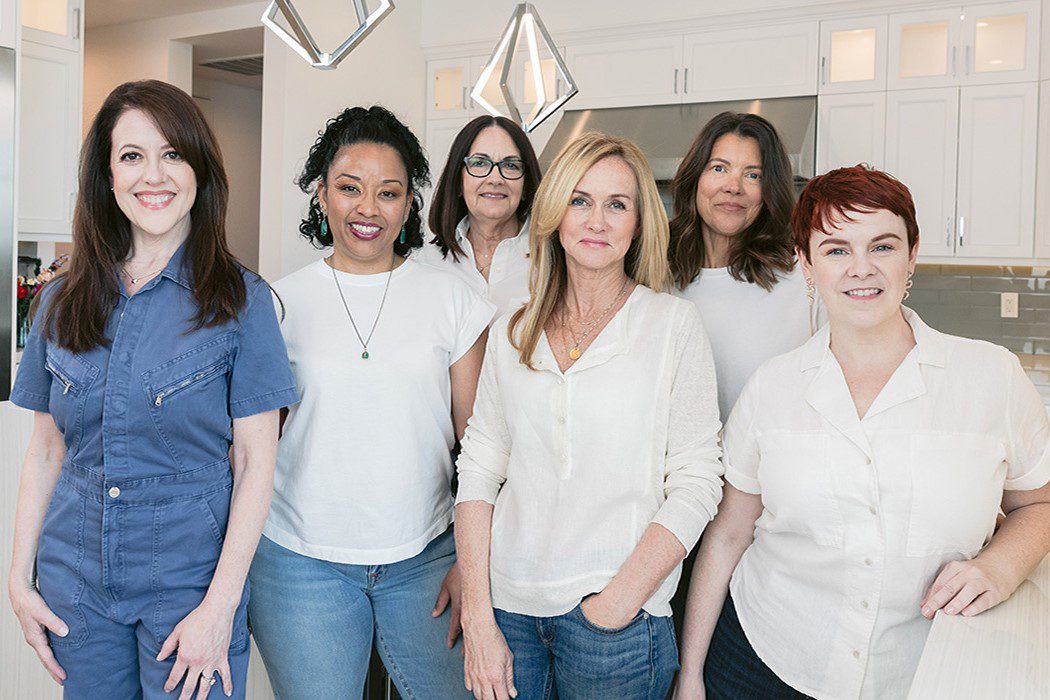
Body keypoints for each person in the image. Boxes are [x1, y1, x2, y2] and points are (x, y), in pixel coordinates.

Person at [674, 166, 1050, 700]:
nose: (861, 269)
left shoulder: (991, 377)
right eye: (835, 250)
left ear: (912, 254)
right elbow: (730, 534)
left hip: (922, 670)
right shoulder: (772, 388)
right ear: (805, 263)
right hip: (763, 660)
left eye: (883, 246)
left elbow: (1038, 506)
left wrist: (1000, 565)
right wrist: (691, 675)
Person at [7, 80, 297, 700]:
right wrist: (17, 579)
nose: (153, 175)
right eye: (132, 156)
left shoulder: (243, 302)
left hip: (191, 588)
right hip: (76, 584)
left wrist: (220, 609)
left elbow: (255, 464)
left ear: (198, 170)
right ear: (107, 177)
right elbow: (46, 451)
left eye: (172, 154)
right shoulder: (61, 301)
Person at [455, 132, 723, 700]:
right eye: (580, 200)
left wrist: (618, 601)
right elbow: (478, 468)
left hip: (617, 625)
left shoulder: (672, 326)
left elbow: (698, 484)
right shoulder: (513, 328)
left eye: (616, 204)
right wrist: (479, 617)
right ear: (554, 213)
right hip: (509, 613)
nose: (596, 220)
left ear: (638, 223)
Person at [247, 105, 493, 699]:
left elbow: (481, 447)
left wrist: (472, 566)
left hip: (428, 556)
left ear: (410, 203)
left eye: (389, 192)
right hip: (300, 562)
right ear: (322, 195)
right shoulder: (276, 304)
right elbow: (254, 448)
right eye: (349, 188)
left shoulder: (452, 300)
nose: (367, 209)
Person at [669, 111, 820, 422]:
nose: (733, 186)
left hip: (767, 468)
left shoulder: (801, 278)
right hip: (674, 469)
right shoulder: (656, 275)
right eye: (719, 168)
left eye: (753, 175)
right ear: (695, 177)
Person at [414, 115, 541, 317]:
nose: (495, 178)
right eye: (479, 163)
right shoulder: (425, 262)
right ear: (458, 181)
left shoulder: (551, 262)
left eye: (511, 165)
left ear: (526, 185)